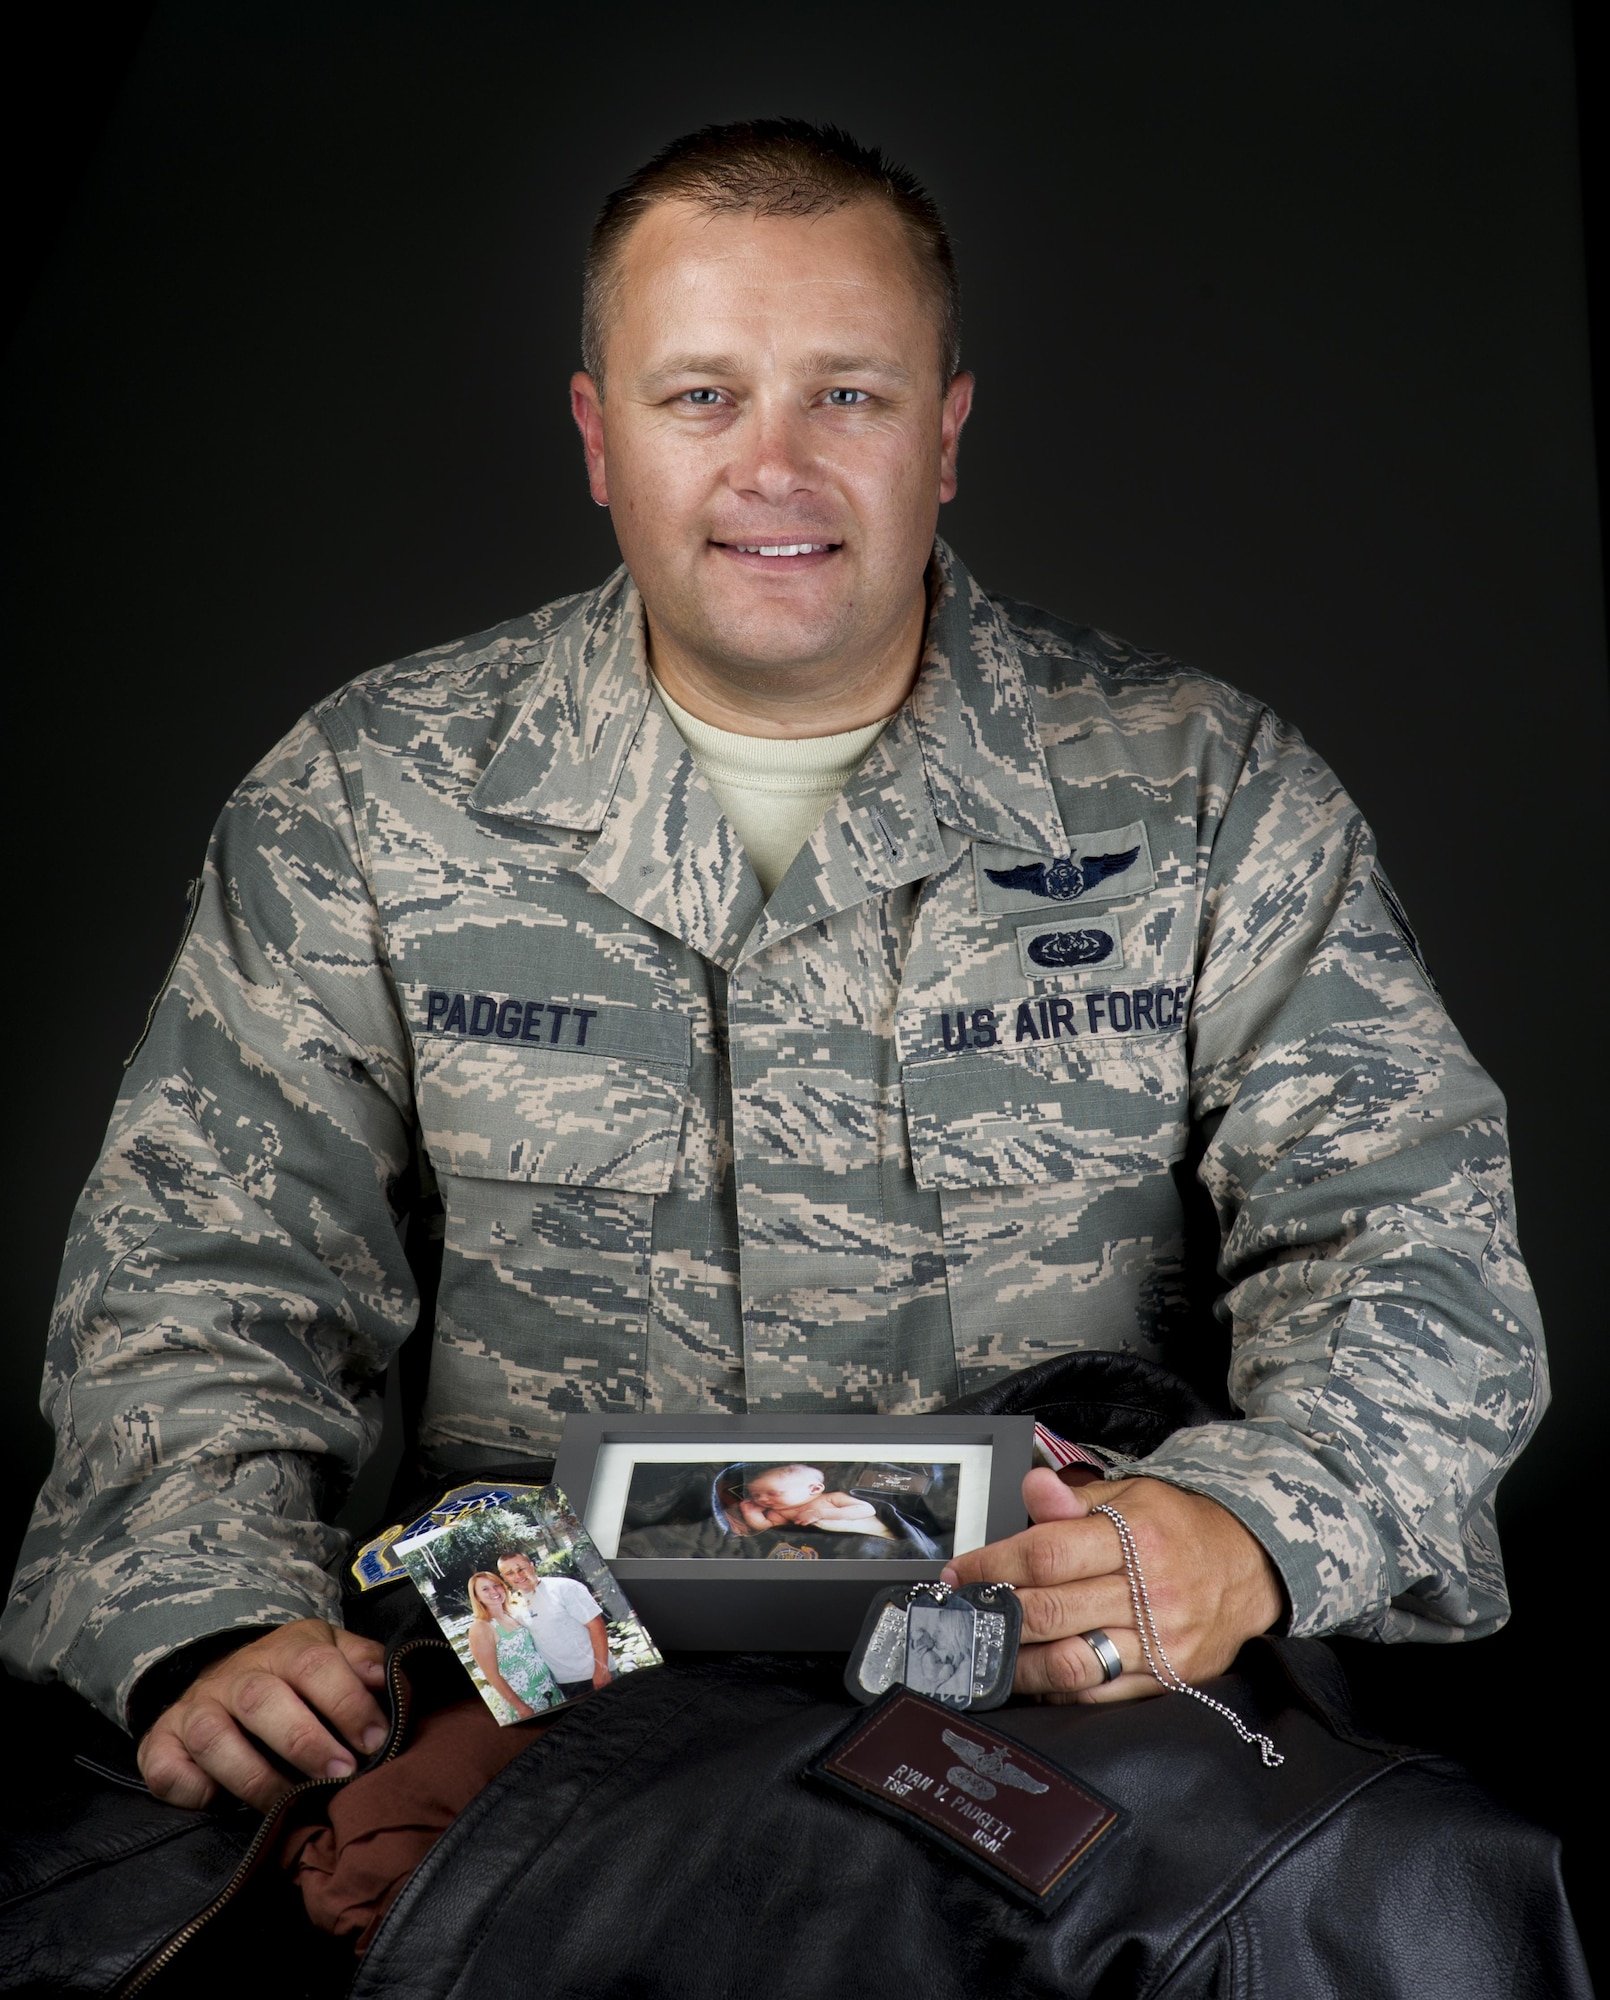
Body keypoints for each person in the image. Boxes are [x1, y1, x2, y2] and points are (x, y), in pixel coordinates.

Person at [0, 119, 1545, 1819]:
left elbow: (1411, 1245)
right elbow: (202, 1283)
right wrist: (210, 1618)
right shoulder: (371, 800)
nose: (777, 466)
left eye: (851, 396)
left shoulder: (1207, 794)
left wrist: (1252, 1532)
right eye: (702, 396)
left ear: (947, 433)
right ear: (600, 437)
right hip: (539, 1709)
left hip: (1067, 1681)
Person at [493, 1553, 612, 1702]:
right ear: (504, 1577)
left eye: (521, 1568)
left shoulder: (564, 1587)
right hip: (561, 1684)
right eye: (510, 1573)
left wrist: (601, 1669)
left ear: (532, 1565)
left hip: (594, 1674)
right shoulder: (514, 1604)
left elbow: (596, 1625)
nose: (518, 1576)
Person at [463, 1573, 560, 1721]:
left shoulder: (510, 1614)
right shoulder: (481, 1628)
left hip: (549, 1688)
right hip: (526, 1699)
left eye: (496, 1585)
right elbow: (491, 1675)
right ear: (477, 1597)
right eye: (485, 1589)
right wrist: (521, 1707)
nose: (494, 1591)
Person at [735, 1465, 889, 1536]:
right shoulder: (780, 1512)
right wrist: (751, 1514)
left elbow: (867, 1510)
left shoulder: (831, 1498)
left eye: (772, 1493)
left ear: (814, 1489)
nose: (762, 1499)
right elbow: (768, 1529)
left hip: (875, 1536)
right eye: (756, 1495)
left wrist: (820, 1513)